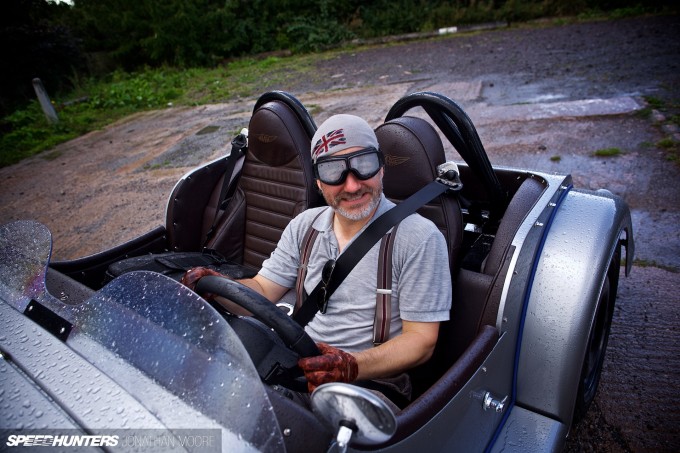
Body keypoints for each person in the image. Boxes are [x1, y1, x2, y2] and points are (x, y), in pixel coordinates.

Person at [182, 114, 452, 408]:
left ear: (381, 168)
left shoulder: (419, 237)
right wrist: (218, 288)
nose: (351, 186)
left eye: (363, 165)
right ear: (319, 182)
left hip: (369, 383)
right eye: (333, 171)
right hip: (296, 365)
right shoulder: (304, 226)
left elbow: (421, 341)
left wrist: (349, 365)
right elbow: (261, 290)